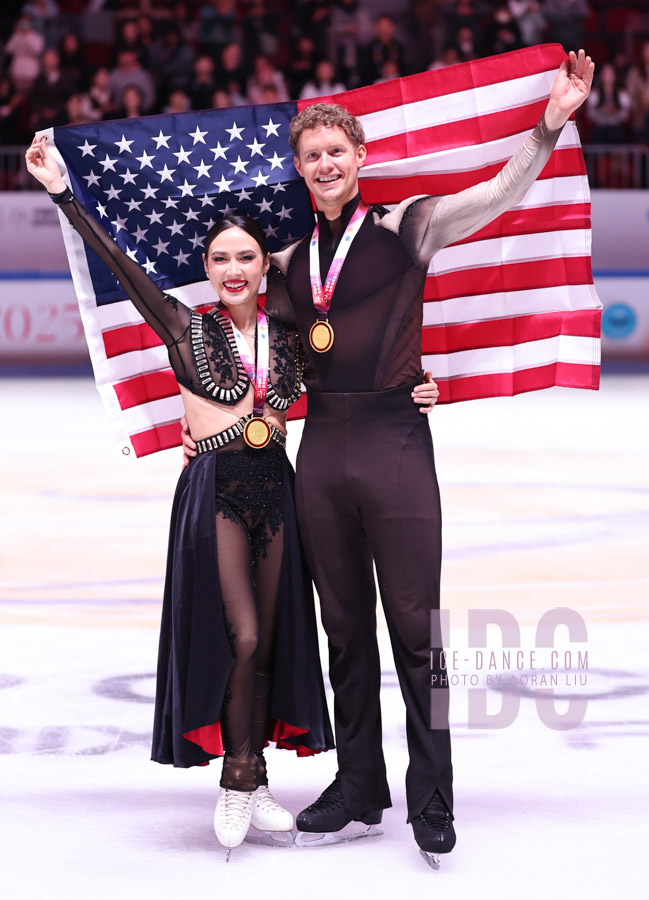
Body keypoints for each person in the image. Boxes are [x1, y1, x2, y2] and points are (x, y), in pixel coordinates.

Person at [182, 47, 595, 869]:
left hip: (397, 446)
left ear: (360, 158)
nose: (326, 164)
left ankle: (432, 798)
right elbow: (255, 351)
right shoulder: (289, 266)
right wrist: (213, 424)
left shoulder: (409, 223)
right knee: (344, 632)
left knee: (416, 634)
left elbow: (497, 195)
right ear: (298, 170)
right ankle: (359, 785)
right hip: (324, 449)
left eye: (338, 152)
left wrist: (547, 128)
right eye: (311, 156)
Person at [25, 135, 334, 860]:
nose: (232, 268)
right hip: (215, 490)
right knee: (242, 637)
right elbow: (118, 263)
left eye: (246, 257)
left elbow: (361, 358)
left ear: (265, 267)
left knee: (272, 639)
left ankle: (254, 774)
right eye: (220, 258)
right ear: (206, 268)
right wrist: (63, 193)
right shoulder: (183, 326)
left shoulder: (289, 336)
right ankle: (235, 778)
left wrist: (417, 383)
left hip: (276, 490)